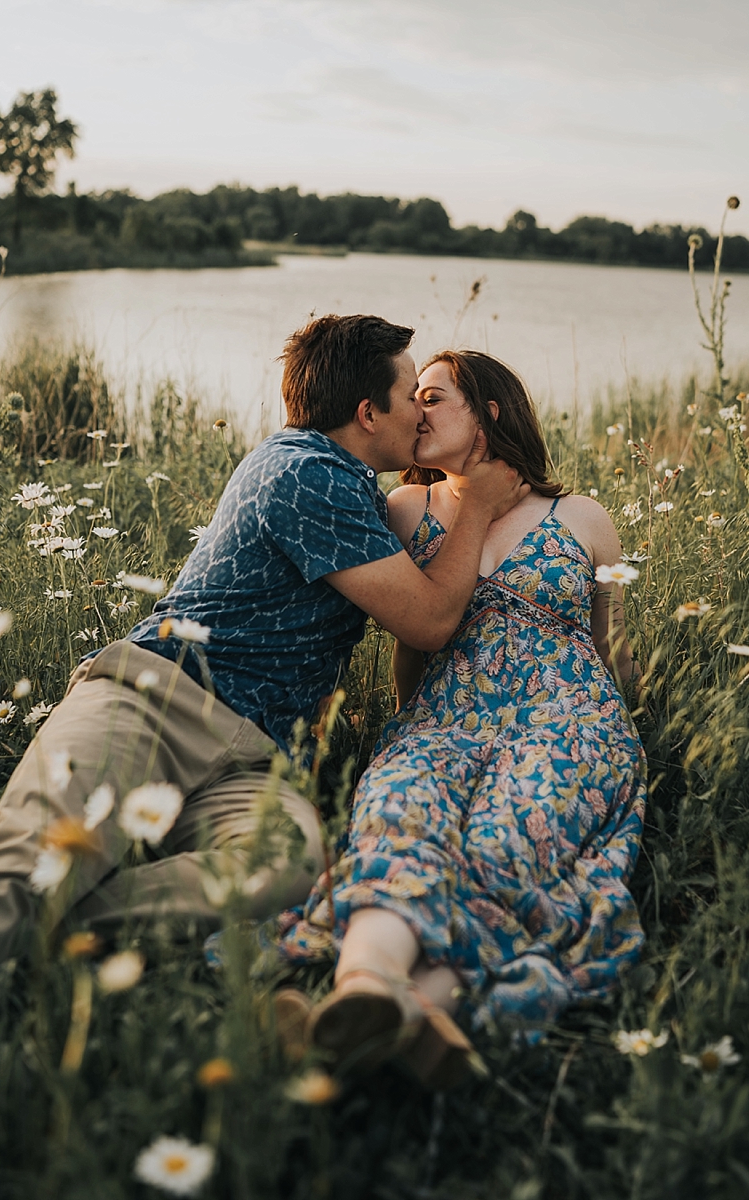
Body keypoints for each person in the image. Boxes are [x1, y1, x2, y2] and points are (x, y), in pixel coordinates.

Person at [0, 318, 527, 974]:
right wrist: (476, 506)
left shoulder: (359, 491)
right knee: (31, 865)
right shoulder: (304, 471)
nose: (419, 410)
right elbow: (431, 623)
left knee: (287, 869)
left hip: (253, 756)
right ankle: (22, 929)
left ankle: (55, 941)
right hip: (152, 702)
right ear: (367, 413)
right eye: (412, 395)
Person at [272, 350, 647, 1086]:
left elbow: (616, 655)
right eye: (412, 397)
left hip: (569, 720)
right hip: (443, 719)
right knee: (398, 812)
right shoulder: (405, 510)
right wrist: (404, 728)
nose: (417, 409)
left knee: (506, 842)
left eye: (435, 396)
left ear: (490, 411)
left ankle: (398, 1011)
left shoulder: (582, 518)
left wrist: (633, 738)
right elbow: (409, 642)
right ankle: (372, 992)